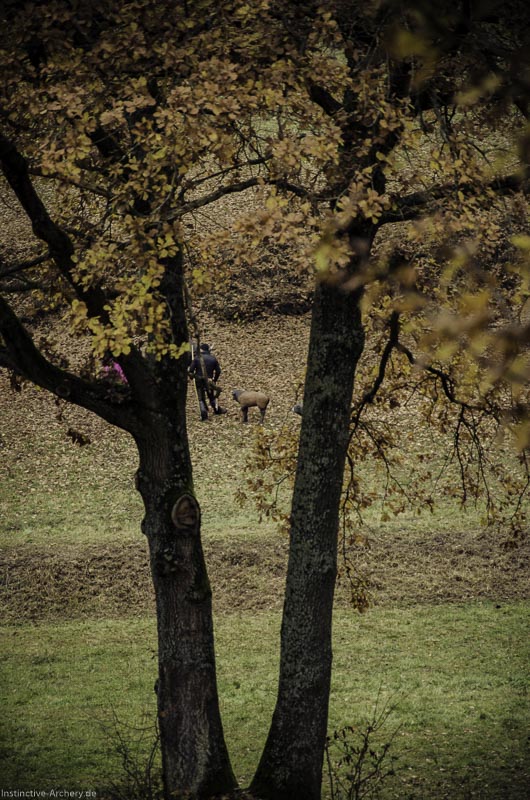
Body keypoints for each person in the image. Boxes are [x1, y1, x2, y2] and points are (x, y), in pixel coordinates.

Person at [188, 343, 227, 420]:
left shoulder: (196, 358)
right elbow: (218, 371)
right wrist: (214, 380)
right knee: (211, 396)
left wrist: (192, 377)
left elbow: (191, 371)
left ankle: (203, 413)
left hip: (199, 380)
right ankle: (216, 410)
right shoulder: (213, 358)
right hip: (209, 380)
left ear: (201, 350)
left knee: (200, 398)